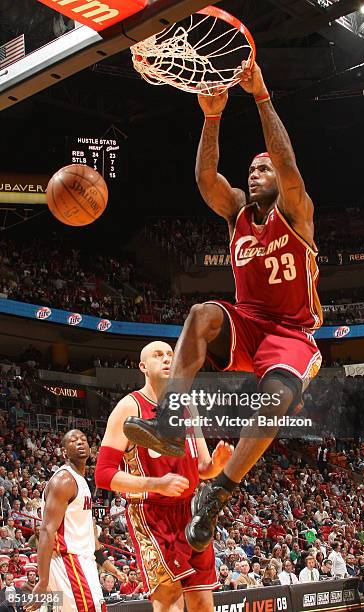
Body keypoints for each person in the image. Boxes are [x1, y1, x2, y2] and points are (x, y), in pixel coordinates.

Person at [123, 60, 322, 553]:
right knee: (202, 314)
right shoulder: (236, 214)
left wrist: (260, 96)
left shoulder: (296, 211)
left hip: (293, 334)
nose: (255, 175)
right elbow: (205, 178)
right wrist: (212, 117)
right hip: (248, 321)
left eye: (263, 169)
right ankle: (168, 423)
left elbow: (289, 164)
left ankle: (218, 492)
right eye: (251, 170)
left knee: (276, 399)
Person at [95, 341, 233, 612]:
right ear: (143, 367)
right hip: (152, 514)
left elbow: (204, 468)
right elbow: (103, 474)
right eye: (158, 356)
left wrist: (217, 464)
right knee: (169, 600)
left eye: (171, 355)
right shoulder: (129, 407)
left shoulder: (187, 405)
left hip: (193, 511)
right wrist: (156, 484)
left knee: (203, 603)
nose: (168, 359)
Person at [23, 429, 125, 612]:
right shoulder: (63, 480)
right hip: (68, 559)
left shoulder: (82, 481)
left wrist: (108, 565)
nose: (79, 442)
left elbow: (88, 531)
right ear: (63, 452)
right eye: (73, 440)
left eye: (83, 439)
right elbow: (46, 530)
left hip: (83, 561)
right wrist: (43, 580)